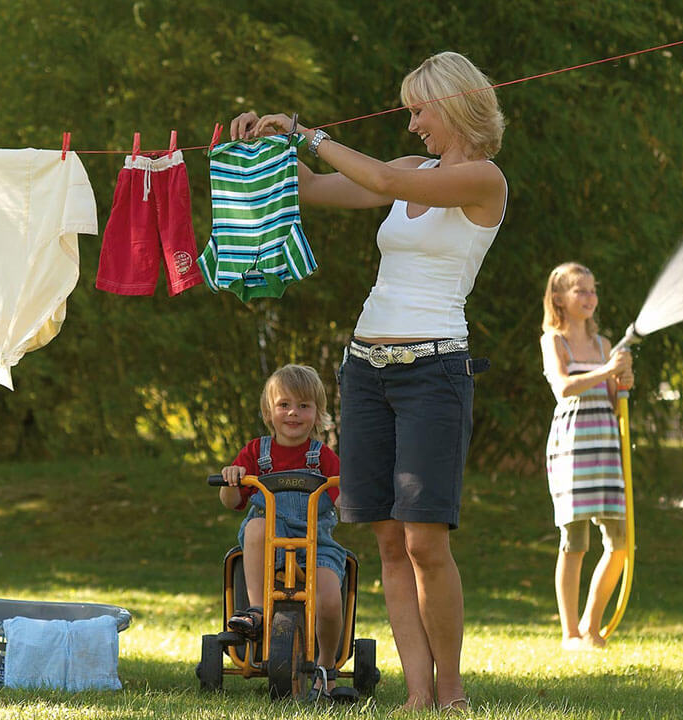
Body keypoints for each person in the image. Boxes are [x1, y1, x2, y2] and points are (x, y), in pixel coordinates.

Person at [230, 51, 507, 712]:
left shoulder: (484, 180)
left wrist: (314, 134)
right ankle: (417, 695)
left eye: (419, 110)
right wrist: (262, 147)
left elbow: (378, 176)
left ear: (454, 103)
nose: (413, 125)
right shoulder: (412, 171)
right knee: (387, 539)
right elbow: (312, 187)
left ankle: (452, 691)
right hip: (365, 374)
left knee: (424, 541)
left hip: (434, 373)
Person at [218, 364, 351, 702]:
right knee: (256, 524)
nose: (293, 413)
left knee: (330, 598)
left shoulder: (323, 457)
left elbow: (345, 499)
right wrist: (233, 477)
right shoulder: (255, 453)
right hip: (269, 540)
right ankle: (257, 611)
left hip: (315, 541)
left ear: (317, 414)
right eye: (284, 405)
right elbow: (230, 500)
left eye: (304, 406)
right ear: (269, 411)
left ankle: (326, 667)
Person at [539, 262, 635, 650]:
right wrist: (607, 371)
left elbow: (613, 401)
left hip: (606, 445)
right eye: (581, 290)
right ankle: (570, 634)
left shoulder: (604, 345)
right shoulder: (553, 341)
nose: (590, 297)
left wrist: (622, 381)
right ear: (559, 298)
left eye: (593, 290)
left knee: (620, 542)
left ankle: (591, 627)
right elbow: (563, 388)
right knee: (574, 541)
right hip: (573, 447)